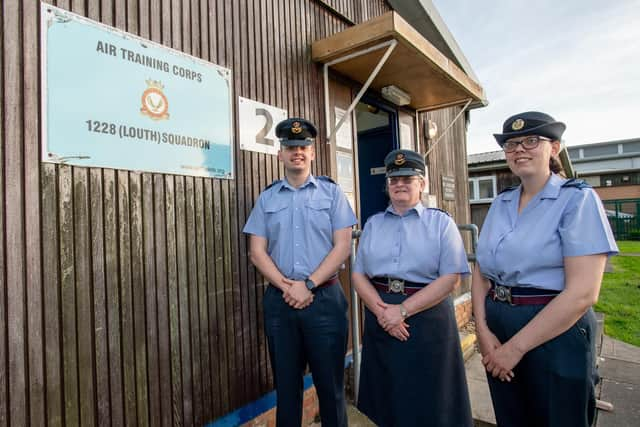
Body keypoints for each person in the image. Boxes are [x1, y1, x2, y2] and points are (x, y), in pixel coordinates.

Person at [472, 111, 618, 427]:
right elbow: (481, 271)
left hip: (554, 329)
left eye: (530, 141)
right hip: (498, 324)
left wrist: (514, 349)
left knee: (558, 417)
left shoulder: (577, 200)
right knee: (512, 417)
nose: (519, 149)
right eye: (511, 144)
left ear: (554, 148)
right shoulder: (501, 203)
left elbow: (583, 293)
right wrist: (483, 331)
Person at [243, 118, 357, 427]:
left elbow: (342, 246)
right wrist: (288, 288)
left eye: (303, 146)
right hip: (281, 305)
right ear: (280, 153)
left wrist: (308, 284)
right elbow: (257, 251)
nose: (297, 152)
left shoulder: (332, 194)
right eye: (290, 147)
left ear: (312, 152)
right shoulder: (268, 198)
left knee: (331, 390)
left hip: (325, 302)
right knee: (287, 391)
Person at [351, 149, 473, 427]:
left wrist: (402, 310)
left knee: (430, 399)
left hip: (426, 317)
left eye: (408, 178)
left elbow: (451, 278)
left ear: (422, 183)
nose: (400, 184)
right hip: (380, 314)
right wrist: (383, 313)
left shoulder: (442, 223)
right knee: (386, 396)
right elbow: (359, 275)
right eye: (394, 180)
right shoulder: (373, 224)